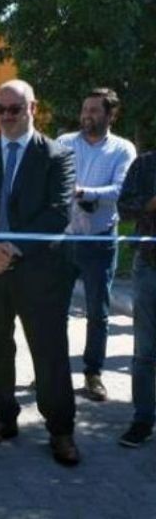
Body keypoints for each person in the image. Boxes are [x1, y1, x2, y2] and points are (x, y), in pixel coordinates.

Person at [0, 80, 80, 466]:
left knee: (49, 353)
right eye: (1, 110)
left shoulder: (57, 156)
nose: (7, 116)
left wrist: (9, 249)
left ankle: (61, 430)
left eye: (15, 108)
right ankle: (2, 417)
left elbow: (57, 213)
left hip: (40, 273)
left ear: (33, 108)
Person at [57, 88, 136, 402]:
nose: (86, 115)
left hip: (100, 239)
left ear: (110, 115)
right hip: (64, 239)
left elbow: (121, 189)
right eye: (84, 109)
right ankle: (53, 370)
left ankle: (92, 373)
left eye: (93, 110)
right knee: (55, 310)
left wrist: (84, 193)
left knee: (98, 311)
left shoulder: (122, 148)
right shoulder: (64, 143)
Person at [117, 150, 156, 447]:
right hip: (149, 264)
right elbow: (124, 206)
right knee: (145, 350)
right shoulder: (145, 164)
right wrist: (151, 203)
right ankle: (142, 419)